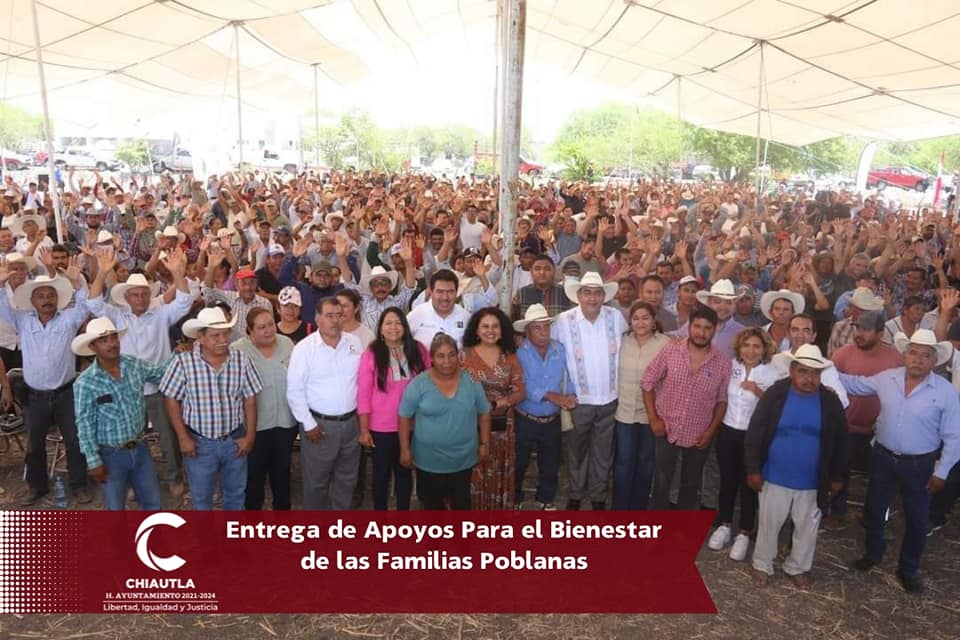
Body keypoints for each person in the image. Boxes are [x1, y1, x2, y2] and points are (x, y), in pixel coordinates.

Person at [840, 330, 960, 594]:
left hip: (920, 464)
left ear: (934, 361)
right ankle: (873, 553)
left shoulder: (946, 393)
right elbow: (854, 384)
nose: (918, 359)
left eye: (925, 355)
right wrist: (822, 369)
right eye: (913, 353)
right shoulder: (887, 379)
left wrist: (941, 472)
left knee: (917, 518)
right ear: (906, 354)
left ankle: (908, 568)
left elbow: (954, 436)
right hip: (883, 457)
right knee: (875, 508)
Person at [87, 246, 194, 497]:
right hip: (127, 387)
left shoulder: (160, 315)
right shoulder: (117, 315)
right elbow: (92, 302)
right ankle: (134, 481)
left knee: (167, 438)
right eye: (134, 295)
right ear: (127, 297)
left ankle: (173, 476)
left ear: (149, 295)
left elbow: (185, 301)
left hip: (159, 387)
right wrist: (102, 272)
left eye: (144, 294)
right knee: (129, 438)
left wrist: (178, 273)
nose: (140, 299)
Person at [745, 344, 848, 588]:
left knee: (807, 526)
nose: (808, 378)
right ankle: (762, 563)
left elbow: (842, 442)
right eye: (803, 372)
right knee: (769, 523)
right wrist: (752, 469)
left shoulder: (830, 402)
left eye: (814, 373)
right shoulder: (775, 395)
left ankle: (798, 566)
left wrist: (837, 476)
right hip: (774, 474)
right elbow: (755, 433)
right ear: (792, 370)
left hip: (813, 479)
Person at [0, 263, 91, 506]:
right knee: (35, 443)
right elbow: (2, 307)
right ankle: (37, 486)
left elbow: (86, 305)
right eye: (41, 295)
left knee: (74, 440)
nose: (46, 299)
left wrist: (76, 282)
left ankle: (79, 485)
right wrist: (1, 284)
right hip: (35, 395)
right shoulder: (22, 320)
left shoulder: (68, 319)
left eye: (51, 295)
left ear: (58, 298)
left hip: (66, 392)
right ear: (32, 300)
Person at [159, 306, 263, 510]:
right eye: (215, 335)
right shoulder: (183, 362)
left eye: (225, 333)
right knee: (201, 498)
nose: (223, 339)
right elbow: (171, 399)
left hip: (234, 440)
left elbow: (250, 399)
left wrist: (249, 436)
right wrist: (183, 437)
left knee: (235, 495)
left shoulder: (240, 360)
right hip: (199, 443)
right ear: (201, 337)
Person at [72, 317, 168, 510]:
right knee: (115, 508)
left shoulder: (134, 365)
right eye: (104, 340)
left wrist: (178, 354)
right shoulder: (85, 383)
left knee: (152, 502)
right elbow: (84, 424)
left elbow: (161, 373)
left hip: (140, 447)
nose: (112, 344)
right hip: (110, 453)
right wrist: (93, 460)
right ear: (93, 347)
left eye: (113, 338)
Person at [642, 306, 731, 510]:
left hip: (699, 433)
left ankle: (680, 533)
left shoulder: (723, 363)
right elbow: (647, 382)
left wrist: (710, 432)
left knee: (691, 484)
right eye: (697, 326)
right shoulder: (670, 350)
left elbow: (722, 401)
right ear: (689, 327)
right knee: (662, 482)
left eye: (707, 328)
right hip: (666, 427)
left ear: (715, 329)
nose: (701, 332)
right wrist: (654, 419)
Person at [551, 271, 627, 510]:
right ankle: (575, 493)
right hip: (578, 400)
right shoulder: (563, 320)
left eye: (597, 293)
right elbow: (556, 356)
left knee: (604, 452)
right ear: (579, 295)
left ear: (604, 296)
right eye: (587, 292)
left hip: (610, 397)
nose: (592, 298)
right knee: (576, 450)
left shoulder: (616, 317)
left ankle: (598, 497)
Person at [286, 297, 363, 510]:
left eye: (339, 315)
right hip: (319, 426)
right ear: (317, 319)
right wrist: (308, 424)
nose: (335, 320)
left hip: (351, 423)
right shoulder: (304, 349)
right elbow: (294, 390)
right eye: (330, 315)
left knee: (347, 479)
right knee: (316, 482)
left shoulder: (354, 343)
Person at [827, 310, 904, 525]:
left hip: (880, 431)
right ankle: (837, 510)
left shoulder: (895, 358)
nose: (859, 334)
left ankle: (873, 516)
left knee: (880, 477)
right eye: (857, 328)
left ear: (880, 333)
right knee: (841, 469)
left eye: (866, 330)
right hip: (847, 426)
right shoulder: (842, 354)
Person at [398, 334, 491, 510]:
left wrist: (484, 444)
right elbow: (404, 417)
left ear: (458, 356)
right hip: (428, 461)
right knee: (433, 510)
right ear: (432, 358)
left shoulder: (471, 381)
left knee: (462, 507)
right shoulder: (419, 384)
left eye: (451, 354)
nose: (447, 361)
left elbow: (484, 412)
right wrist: (405, 450)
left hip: (463, 459)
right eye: (441, 356)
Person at [708, 327, 778, 561]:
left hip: (754, 437)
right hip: (728, 431)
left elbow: (775, 408)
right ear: (739, 347)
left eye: (756, 346)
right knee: (727, 481)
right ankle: (725, 524)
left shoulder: (772, 372)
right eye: (747, 345)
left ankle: (745, 532)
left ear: (764, 348)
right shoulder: (731, 367)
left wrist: (758, 391)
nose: (751, 350)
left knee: (750, 484)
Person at [357, 307, 429, 510]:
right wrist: (364, 429)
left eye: (398, 322)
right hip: (382, 427)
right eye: (388, 323)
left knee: (405, 472)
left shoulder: (419, 350)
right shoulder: (371, 354)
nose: (393, 327)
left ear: (405, 327)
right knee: (381, 475)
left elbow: (429, 383)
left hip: (413, 424)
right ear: (380, 328)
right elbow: (363, 393)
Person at [231, 307, 297, 510]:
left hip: (285, 422)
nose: (269, 330)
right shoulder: (236, 350)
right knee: (254, 477)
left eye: (270, 324)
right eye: (261, 327)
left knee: (282, 474)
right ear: (249, 332)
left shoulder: (287, 343)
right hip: (254, 427)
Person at [462, 306, 525, 510]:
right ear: (476, 330)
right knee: (472, 469)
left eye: (495, 326)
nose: (490, 331)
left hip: (501, 425)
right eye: (485, 326)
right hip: (471, 424)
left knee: (497, 468)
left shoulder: (510, 356)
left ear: (502, 329)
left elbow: (520, 391)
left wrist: (500, 403)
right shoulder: (464, 356)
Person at [513, 304, 575, 511]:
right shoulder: (520, 354)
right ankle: (516, 497)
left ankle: (546, 498)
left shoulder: (560, 348)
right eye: (537, 328)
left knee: (551, 461)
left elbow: (569, 375)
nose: (543, 332)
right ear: (527, 331)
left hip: (552, 418)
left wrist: (571, 395)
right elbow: (524, 383)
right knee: (519, 462)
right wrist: (552, 396)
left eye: (546, 327)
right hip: (525, 417)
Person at [613, 301, 670, 510]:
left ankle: (638, 509)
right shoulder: (622, 342)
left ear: (654, 321)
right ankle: (620, 511)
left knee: (646, 463)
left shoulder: (666, 344)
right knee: (624, 462)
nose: (641, 322)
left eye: (645, 317)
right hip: (625, 412)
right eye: (636, 318)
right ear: (630, 322)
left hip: (652, 415)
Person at [406, 269, 471, 348]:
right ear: (431, 291)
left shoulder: (466, 317)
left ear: (456, 292)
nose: (445, 297)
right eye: (440, 292)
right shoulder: (416, 315)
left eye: (450, 292)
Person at [511, 254, 574, 320]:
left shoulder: (565, 293)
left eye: (547, 269)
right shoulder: (521, 294)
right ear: (531, 272)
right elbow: (515, 321)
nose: (542, 272)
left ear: (554, 271)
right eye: (537, 269)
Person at [759, 289, 804, 353]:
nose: (781, 312)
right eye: (777, 309)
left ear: (793, 313)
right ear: (770, 312)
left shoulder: (798, 336)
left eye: (786, 309)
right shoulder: (760, 333)